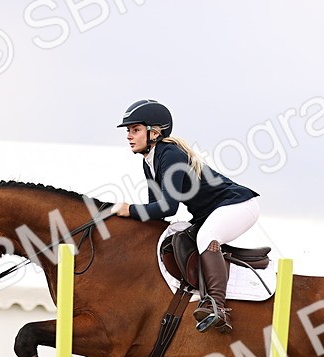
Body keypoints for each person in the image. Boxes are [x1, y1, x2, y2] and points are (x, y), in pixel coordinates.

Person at [110, 99, 259, 332]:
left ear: (155, 132)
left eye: (135, 130)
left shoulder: (170, 154)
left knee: (206, 237)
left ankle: (216, 307)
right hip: (212, 212)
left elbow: (168, 207)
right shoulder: (149, 161)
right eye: (128, 131)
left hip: (238, 205)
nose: (129, 136)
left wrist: (130, 210)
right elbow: (156, 211)